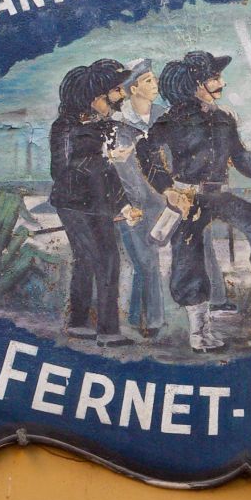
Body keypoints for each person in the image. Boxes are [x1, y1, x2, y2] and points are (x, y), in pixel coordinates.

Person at [137, 51, 251, 353]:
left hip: (217, 195)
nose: (222, 83)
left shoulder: (222, 119)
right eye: (214, 78)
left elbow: (242, 159)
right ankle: (199, 332)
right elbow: (146, 154)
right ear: (195, 84)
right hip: (187, 197)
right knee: (187, 255)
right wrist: (168, 191)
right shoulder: (169, 122)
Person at [48, 57, 134, 341]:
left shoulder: (103, 126)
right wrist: (102, 160)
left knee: (91, 259)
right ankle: (107, 331)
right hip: (73, 203)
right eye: (116, 91)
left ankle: (79, 322)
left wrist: (123, 204)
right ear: (96, 96)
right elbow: (61, 169)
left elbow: (110, 174)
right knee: (103, 260)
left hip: (99, 203)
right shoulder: (65, 127)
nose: (122, 96)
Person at [106, 62, 167, 339]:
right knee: (145, 260)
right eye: (148, 81)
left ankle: (138, 316)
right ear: (133, 88)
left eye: (155, 79)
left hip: (161, 200)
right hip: (129, 202)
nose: (155, 85)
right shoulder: (116, 123)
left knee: (150, 258)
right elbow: (112, 168)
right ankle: (150, 319)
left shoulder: (165, 117)